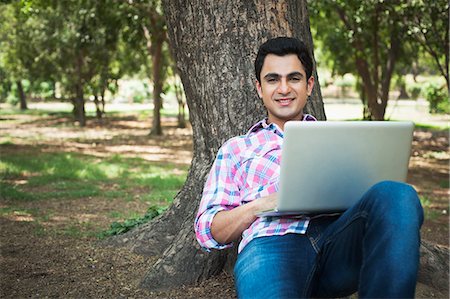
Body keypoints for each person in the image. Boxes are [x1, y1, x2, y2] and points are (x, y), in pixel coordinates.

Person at [194, 36, 423, 299]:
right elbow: (207, 231)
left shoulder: (343, 141)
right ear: (259, 88)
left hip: (337, 240)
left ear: (309, 85)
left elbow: (376, 207)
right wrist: (260, 205)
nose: (284, 89)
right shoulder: (236, 149)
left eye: (294, 78)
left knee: (399, 194)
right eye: (272, 79)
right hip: (269, 246)